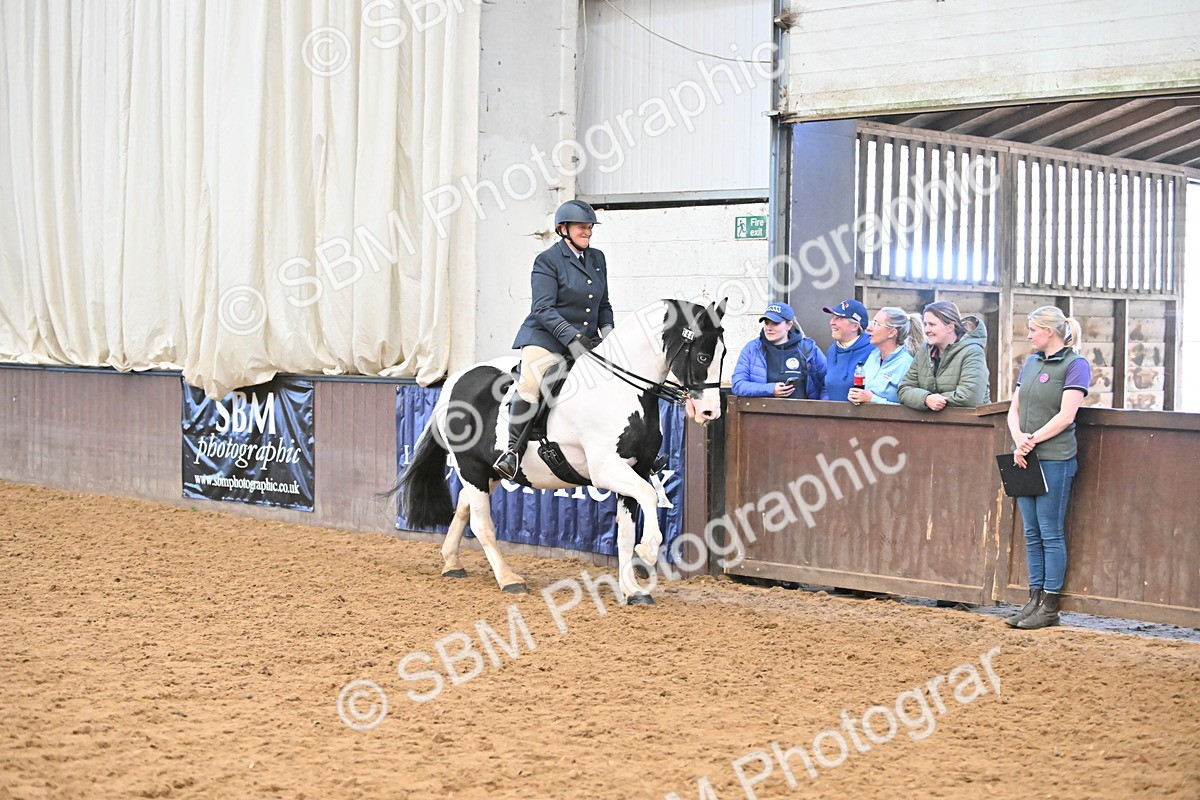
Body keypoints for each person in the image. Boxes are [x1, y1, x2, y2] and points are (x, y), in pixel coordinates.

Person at [493, 199, 614, 480]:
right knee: (531, 383)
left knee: (616, 378)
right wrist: (573, 338)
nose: (588, 232)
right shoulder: (547, 261)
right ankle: (512, 452)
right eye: (582, 228)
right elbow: (543, 309)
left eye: (589, 228)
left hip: (586, 339)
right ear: (563, 229)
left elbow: (604, 304)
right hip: (546, 337)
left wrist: (608, 336)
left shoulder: (598, 259)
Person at [1004, 307, 1090, 630]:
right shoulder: (1030, 362)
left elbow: (1067, 415)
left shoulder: (1075, 365)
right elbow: (1014, 408)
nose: (1028, 336)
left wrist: (1032, 440)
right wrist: (1018, 440)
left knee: (1050, 531)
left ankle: (1050, 604)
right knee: (1031, 531)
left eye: (1032, 330)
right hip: (1024, 456)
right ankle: (1034, 598)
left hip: (1054, 456)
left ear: (1049, 332)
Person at [898, 301, 989, 410]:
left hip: (973, 424)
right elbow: (904, 390)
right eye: (925, 324)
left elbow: (969, 397)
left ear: (950, 327)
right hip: (934, 425)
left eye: (932, 324)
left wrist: (935, 400)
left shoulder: (973, 352)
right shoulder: (923, 351)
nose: (926, 330)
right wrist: (926, 399)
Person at [731, 302, 826, 400]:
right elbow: (738, 385)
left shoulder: (808, 348)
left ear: (789, 325)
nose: (769, 328)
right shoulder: (752, 349)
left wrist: (822, 411)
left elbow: (827, 384)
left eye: (775, 323)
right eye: (766, 323)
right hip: (761, 413)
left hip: (802, 413)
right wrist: (770, 389)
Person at [848, 307, 924, 406]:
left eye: (876, 324)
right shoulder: (872, 357)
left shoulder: (907, 364)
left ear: (892, 332)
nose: (869, 328)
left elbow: (910, 410)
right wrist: (856, 396)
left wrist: (872, 399)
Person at [821, 299, 877, 401]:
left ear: (855, 326)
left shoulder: (873, 351)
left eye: (839, 318)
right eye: (833, 317)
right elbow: (826, 388)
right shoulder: (832, 351)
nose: (832, 322)